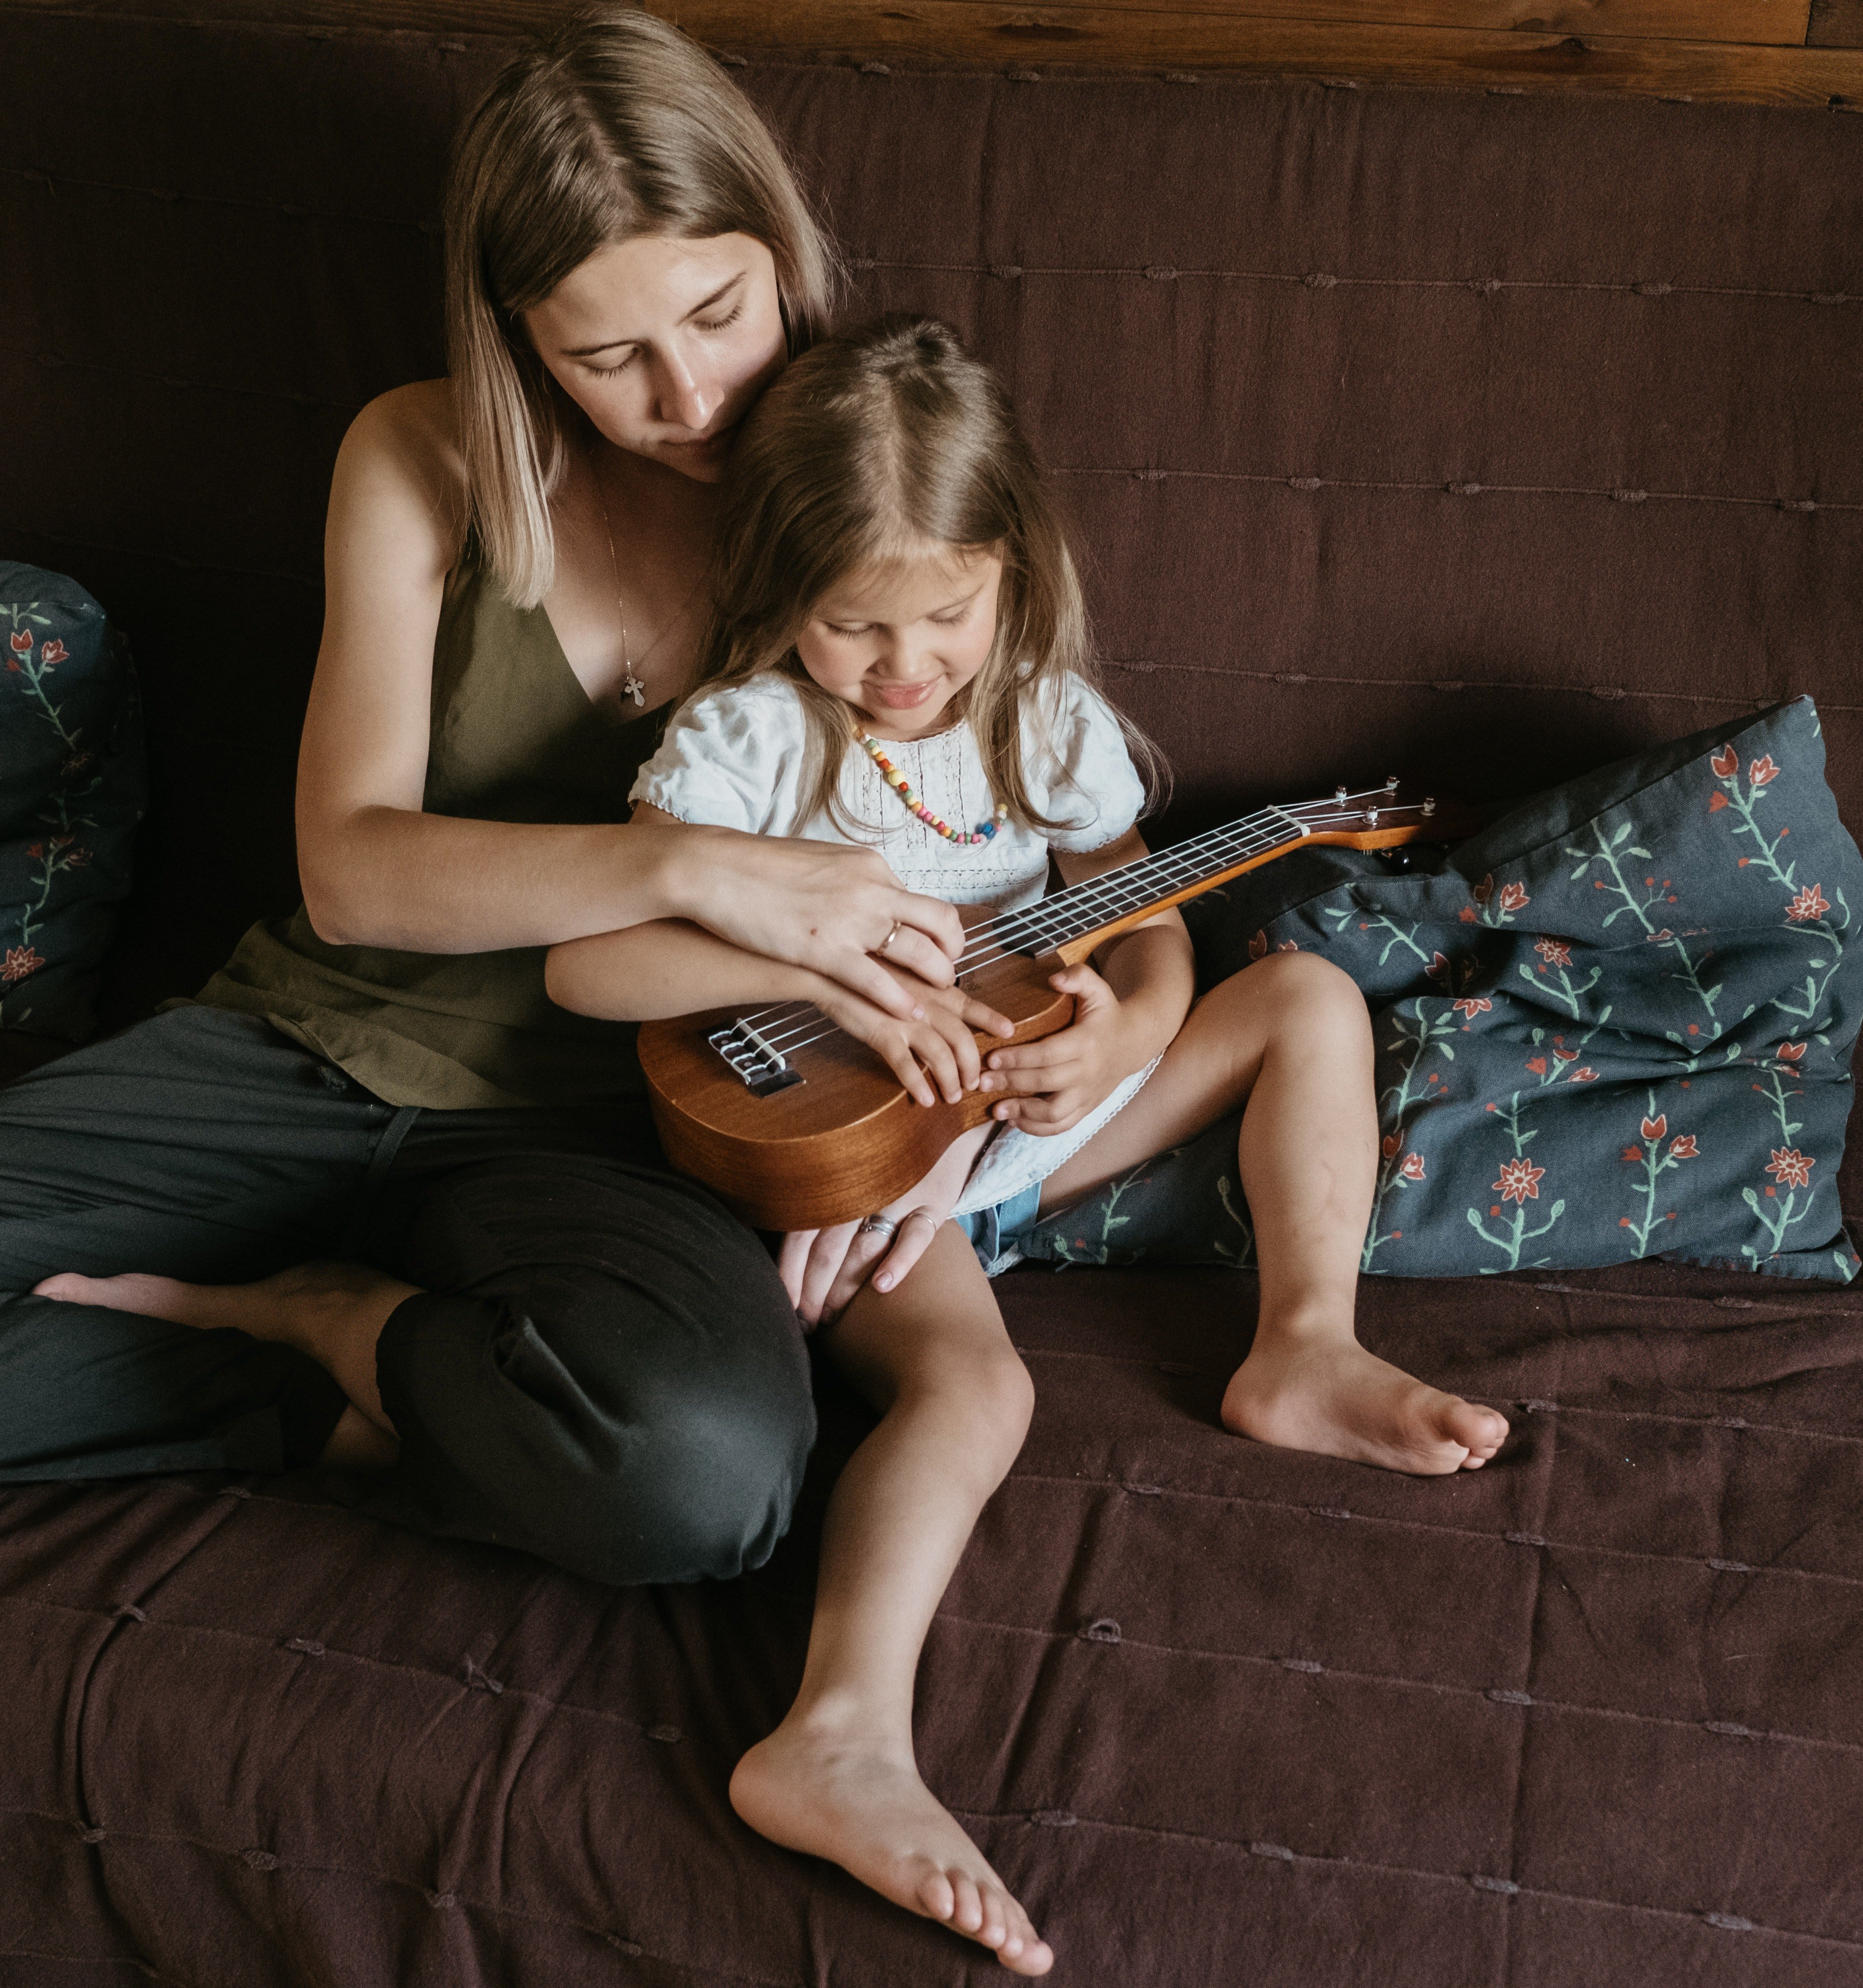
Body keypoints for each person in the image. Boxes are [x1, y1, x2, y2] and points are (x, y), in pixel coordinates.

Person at [0, 11, 994, 1588]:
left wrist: (1076, 1051)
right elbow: (355, 874)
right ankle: (331, 1391)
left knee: (702, 1483)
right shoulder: (421, 454)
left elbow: (1045, 820)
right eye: (606, 357)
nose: (689, 396)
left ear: (782, 256)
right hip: (301, 1051)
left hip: (608, 1129)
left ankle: (355, 1324)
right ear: (518, 342)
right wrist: (689, 864)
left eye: (720, 313)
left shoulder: (874, 498)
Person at [544, 315, 1511, 1975]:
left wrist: (1130, 1033)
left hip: (1010, 1137)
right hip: (849, 1174)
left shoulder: (1035, 720)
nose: (909, 668)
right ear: (783, 592)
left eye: (949, 613)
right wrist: (813, 955)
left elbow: (1141, 928)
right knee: (980, 1390)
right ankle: (839, 1733)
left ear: (1015, 572)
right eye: (855, 625)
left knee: (1311, 1001)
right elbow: (591, 966)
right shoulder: (758, 743)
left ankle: (1304, 1347)